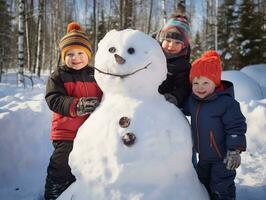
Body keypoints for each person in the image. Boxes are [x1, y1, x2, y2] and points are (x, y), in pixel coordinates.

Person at [44, 21, 102, 200]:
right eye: (69, 54)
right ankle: (54, 188)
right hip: (66, 132)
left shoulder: (96, 74)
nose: (75, 58)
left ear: (88, 55)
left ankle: (77, 187)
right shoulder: (58, 76)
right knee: (62, 162)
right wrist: (76, 106)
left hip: (90, 132)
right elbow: (53, 99)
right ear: (63, 56)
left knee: (85, 161)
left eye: (80, 53)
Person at [184, 50, 247, 200]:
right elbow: (182, 109)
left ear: (216, 83)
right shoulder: (193, 101)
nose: (200, 87)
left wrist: (234, 150)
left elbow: (236, 127)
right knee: (202, 184)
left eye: (206, 82)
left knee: (221, 186)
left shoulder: (226, 103)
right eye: (196, 83)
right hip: (204, 156)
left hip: (223, 157)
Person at [155, 14, 191, 108]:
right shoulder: (150, 54)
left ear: (184, 46)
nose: (171, 46)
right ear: (160, 40)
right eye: (168, 40)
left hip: (164, 103)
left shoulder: (182, 65)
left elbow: (183, 87)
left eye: (177, 42)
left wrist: (175, 96)